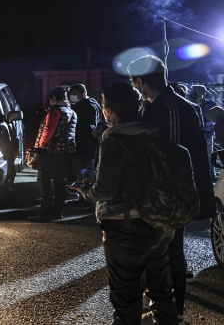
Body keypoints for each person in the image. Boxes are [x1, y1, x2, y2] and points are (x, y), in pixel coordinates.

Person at [72, 82, 177, 325]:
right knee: (161, 287)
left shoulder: (115, 141)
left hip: (127, 226)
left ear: (109, 110)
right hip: (161, 221)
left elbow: (105, 190)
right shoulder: (155, 132)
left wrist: (86, 190)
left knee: (126, 295)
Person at [128, 55, 216, 325]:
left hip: (171, 194)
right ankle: (160, 303)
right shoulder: (158, 105)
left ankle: (174, 311)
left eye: (133, 82)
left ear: (140, 81)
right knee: (158, 250)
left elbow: (174, 155)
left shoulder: (171, 106)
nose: (133, 87)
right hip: (161, 192)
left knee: (171, 251)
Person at [28, 85, 77, 223]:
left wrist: (40, 145)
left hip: (52, 152)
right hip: (66, 151)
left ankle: (45, 213)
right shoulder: (71, 111)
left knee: (44, 181)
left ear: (54, 98)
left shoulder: (55, 111)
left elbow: (48, 130)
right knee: (59, 181)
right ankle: (58, 211)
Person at [67, 83, 102, 209]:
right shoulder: (94, 104)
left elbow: (85, 129)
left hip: (84, 146)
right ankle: (84, 198)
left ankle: (85, 199)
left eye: (75, 94)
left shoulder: (84, 107)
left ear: (83, 94)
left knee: (84, 173)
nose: (72, 96)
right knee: (86, 172)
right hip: (90, 146)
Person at [191, 84, 217, 182]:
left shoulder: (210, 104)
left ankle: (211, 177)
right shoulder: (189, 102)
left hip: (207, 133)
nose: (193, 92)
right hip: (194, 134)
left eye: (196, 90)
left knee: (209, 155)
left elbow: (216, 116)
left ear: (202, 92)